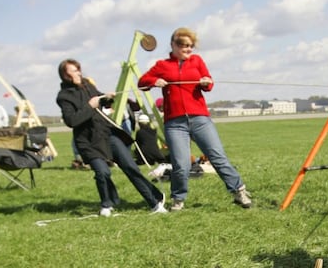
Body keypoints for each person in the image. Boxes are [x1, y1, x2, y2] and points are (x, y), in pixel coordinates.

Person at [138, 27, 252, 211]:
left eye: (190, 46)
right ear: (173, 45)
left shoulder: (197, 61)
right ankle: (178, 199)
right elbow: (142, 82)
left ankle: (239, 191)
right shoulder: (162, 65)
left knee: (217, 156)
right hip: (175, 123)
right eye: (183, 45)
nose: (188, 49)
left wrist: (207, 81)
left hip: (200, 119)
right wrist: (153, 82)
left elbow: (208, 83)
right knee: (181, 164)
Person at [56, 58, 167, 216]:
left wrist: (107, 97)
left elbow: (100, 98)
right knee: (103, 173)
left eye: (78, 69)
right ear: (65, 75)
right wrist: (90, 106)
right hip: (88, 141)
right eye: (74, 71)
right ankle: (107, 204)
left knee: (131, 167)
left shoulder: (88, 85)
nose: (78, 73)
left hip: (107, 134)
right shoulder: (63, 96)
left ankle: (154, 202)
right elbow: (72, 120)